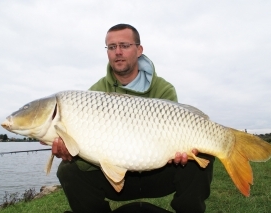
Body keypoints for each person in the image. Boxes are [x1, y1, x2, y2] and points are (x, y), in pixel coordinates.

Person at [48, 24, 215, 213]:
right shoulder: (95, 93)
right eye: (112, 47)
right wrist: (72, 152)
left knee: (202, 156)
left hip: (157, 173)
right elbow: (90, 151)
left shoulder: (163, 89)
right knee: (68, 170)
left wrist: (181, 153)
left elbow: (174, 141)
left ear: (139, 50)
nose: (118, 52)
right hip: (116, 182)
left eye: (124, 46)